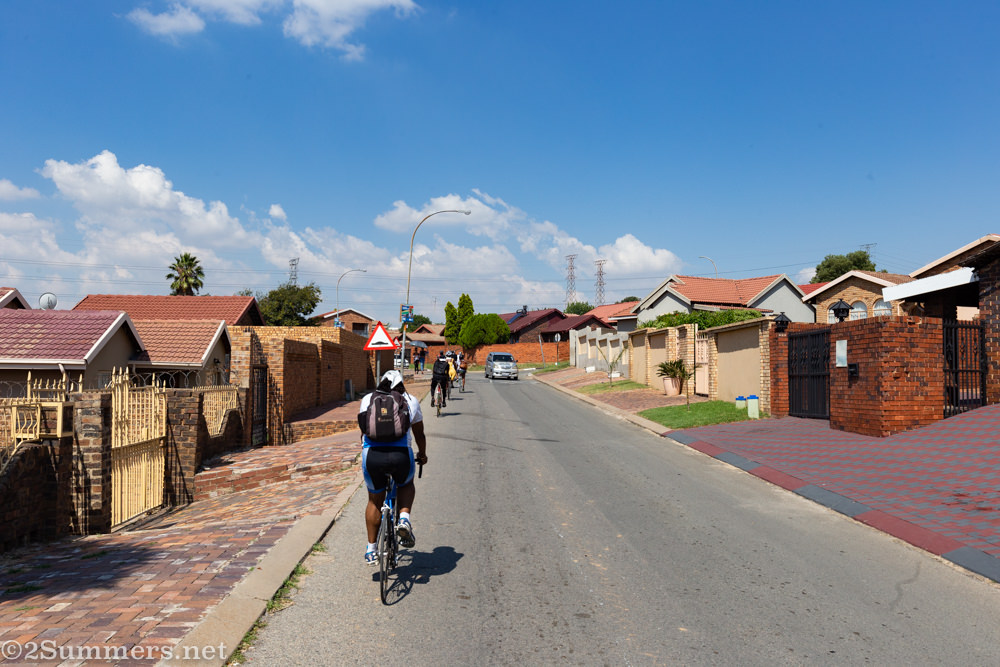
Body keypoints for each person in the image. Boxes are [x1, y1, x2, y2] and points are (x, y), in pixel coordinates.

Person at [358, 370, 428, 565]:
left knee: (374, 500)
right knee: (406, 483)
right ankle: (404, 519)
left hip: (372, 456)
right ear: (401, 384)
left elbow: (363, 430)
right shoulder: (410, 400)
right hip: (400, 456)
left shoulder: (367, 399)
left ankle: (371, 550)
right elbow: (420, 434)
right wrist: (422, 455)